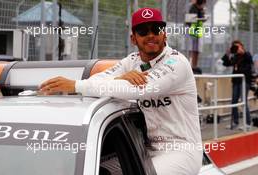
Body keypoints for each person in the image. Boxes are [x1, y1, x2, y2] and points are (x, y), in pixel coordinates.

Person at [40, 7, 202, 175]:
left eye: (156, 29)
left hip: (182, 151)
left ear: (165, 34)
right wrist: (120, 78)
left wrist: (75, 86)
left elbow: (139, 90)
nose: (151, 35)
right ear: (133, 38)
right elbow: (96, 81)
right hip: (145, 148)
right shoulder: (131, 61)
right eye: (143, 31)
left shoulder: (176, 63)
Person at [222, 40, 254, 130]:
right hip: (236, 81)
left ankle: (248, 123)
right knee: (234, 102)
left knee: (244, 101)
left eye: (238, 46)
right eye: (235, 47)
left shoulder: (246, 54)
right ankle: (235, 122)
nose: (237, 48)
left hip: (244, 81)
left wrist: (242, 52)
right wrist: (227, 53)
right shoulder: (235, 56)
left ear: (241, 46)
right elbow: (226, 63)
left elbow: (250, 61)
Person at [186, 0, 206, 73]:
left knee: (197, 50)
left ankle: (194, 66)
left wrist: (202, 11)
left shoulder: (201, 9)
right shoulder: (192, 7)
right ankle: (190, 65)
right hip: (192, 28)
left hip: (198, 28)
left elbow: (202, 18)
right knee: (191, 49)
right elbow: (189, 19)